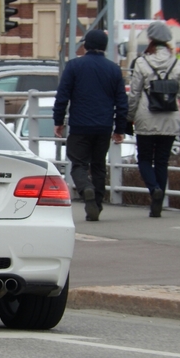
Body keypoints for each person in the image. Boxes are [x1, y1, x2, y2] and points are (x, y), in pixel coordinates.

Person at [53, 29, 128, 222]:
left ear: (85, 45)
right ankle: (97, 205)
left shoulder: (74, 66)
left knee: (78, 163)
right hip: (103, 126)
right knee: (99, 166)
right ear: (105, 46)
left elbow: (63, 96)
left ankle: (86, 188)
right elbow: (121, 102)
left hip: (80, 124)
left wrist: (58, 121)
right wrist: (120, 128)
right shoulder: (113, 69)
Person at [127, 21, 180, 218]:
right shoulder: (177, 63)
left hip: (146, 119)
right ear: (167, 41)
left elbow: (134, 95)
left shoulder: (142, 62)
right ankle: (159, 199)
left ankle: (154, 189)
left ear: (150, 39)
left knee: (145, 160)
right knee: (162, 162)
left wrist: (129, 118)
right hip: (170, 119)